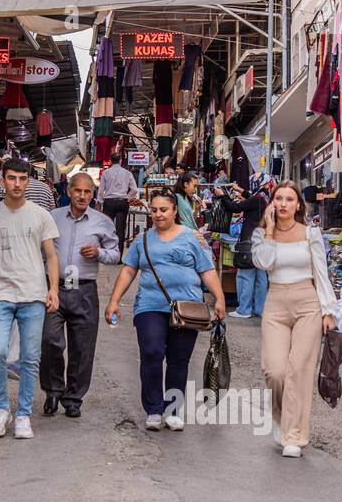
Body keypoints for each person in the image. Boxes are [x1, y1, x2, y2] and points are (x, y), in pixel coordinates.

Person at [105, 189, 227, 432]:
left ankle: (173, 410)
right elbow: (129, 271)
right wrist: (114, 300)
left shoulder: (192, 239)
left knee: (179, 360)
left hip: (188, 308)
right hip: (150, 305)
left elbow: (207, 270)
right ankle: (153, 409)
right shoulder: (142, 240)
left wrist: (220, 299)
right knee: (151, 352)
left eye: (163, 210)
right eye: (154, 210)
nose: (158, 215)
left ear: (174, 211)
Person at [0, 158, 60, 440]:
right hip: (0, 293)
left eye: (22, 179)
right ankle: (1, 409)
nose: (17, 184)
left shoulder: (40, 215)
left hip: (33, 294)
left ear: (29, 180)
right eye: (11, 178)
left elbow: (51, 255)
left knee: (31, 358)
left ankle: (23, 414)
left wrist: (53, 288)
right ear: (2, 179)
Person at [251, 181, 338, 458]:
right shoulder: (261, 234)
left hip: (307, 302)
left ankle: (294, 436)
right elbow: (263, 263)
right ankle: (280, 419)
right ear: (272, 203)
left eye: (290, 199)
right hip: (275, 302)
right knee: (275, 371)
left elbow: (321, 273)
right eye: (279, 198)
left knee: (298, 370)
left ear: (299, 204)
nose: (284, 204)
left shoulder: (311, 233)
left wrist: (328, 310)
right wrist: (270, 230)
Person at [41, 172, 119, 418]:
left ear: (93, 194)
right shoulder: (52, 218)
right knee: (49, 341)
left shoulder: (102, 221)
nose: (82, 196)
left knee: (83, 347)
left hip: (84, 289)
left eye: (87, 192)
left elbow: (115, 253)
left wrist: (98, 253)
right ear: (69, 191)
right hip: (53, 287)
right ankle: (53, 390)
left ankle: (73, 397)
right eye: (78, 191)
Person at [222, 175, 270, 319]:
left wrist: (223, 196)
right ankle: (260, 308)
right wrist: (241, 191)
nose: (268, 186)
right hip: (262, 241)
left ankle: (244, 309)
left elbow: (233, 207)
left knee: (246, 276)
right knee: (261, 277)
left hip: (250, 242)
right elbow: (251, 198)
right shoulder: (264, 198)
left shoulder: (257, 199)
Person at [100, 158, 139, 247]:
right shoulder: (127, 173)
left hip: (109, 202)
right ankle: (119, 256)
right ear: (120, 161)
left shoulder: (106, 173)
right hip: (122, 202)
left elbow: (101, 190)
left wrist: (101, 202)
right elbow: (134, 190)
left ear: (110, 161)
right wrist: (127, 197)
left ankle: (108, 251)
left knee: (107, 227)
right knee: (120, 229)